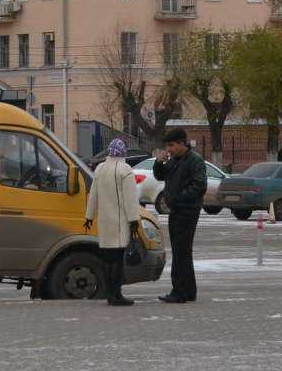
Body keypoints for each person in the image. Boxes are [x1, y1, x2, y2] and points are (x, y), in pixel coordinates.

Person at [152, 127, 206, 303]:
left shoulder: (195, 161)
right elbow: (160, 176)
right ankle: (189, 291)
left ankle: (179, 292)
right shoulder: (175, 159)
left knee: (180, 251)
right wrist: (158, 162)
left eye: (172, 145)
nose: (169, 149)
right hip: (176, 210)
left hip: (187, 210)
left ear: (183, 144)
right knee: (182, 251)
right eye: (168, 145)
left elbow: (199, 186)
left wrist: (177, 198)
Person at [83, 138, 139, 306]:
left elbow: (93, 195)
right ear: (123, 153)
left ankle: (109, 293)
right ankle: (116, 294)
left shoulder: (100, 169)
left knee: (107, 260)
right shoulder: (125, 170)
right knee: (117, 260)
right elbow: (130, 199)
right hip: (120, 222)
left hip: (104, 222)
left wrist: (89, 216)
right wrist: (134, 220)